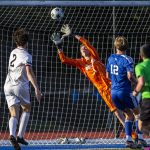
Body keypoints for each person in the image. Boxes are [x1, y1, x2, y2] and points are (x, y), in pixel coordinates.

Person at [51, 25, 126, 136]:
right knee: (117, 113)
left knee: (127, 109)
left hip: (114, 85)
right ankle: (131, 134)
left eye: (85, 48)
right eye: (82, 49)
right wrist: (59, 47)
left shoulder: (95, 57)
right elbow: (64, 60)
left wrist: (73, 35)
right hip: (103, 91)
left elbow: (87, 43)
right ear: (80, 53)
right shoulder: (81, 63)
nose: (84, 49)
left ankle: (136, 130)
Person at [106, 36, 147, 148]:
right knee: (138, 113)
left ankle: (129, 140)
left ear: (115, 46)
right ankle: (140, 139)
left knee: (128, 115)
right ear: (127, 46)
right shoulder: (128, 59)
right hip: (125, 91)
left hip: (113, 93)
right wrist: (136, 82)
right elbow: (129, 76)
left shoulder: (110, 58)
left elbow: (108, 76)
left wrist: (116, 81)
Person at [4, 28, 42, 150]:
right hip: (20, 86)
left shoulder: (13, 52)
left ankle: (11, 135)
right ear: (27, 42)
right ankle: (19, 136)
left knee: (14, 113)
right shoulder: (27, 55)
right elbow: (29, 72)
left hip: (7, 85)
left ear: (16, 42)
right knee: (27, 108)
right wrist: (36, 88)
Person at [133, 44, 150, 136]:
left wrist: (134, 93)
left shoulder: (140, 66)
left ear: (141, 55)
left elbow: (141, 83)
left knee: (141, 123)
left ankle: (140, 141)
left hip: (147, 98)